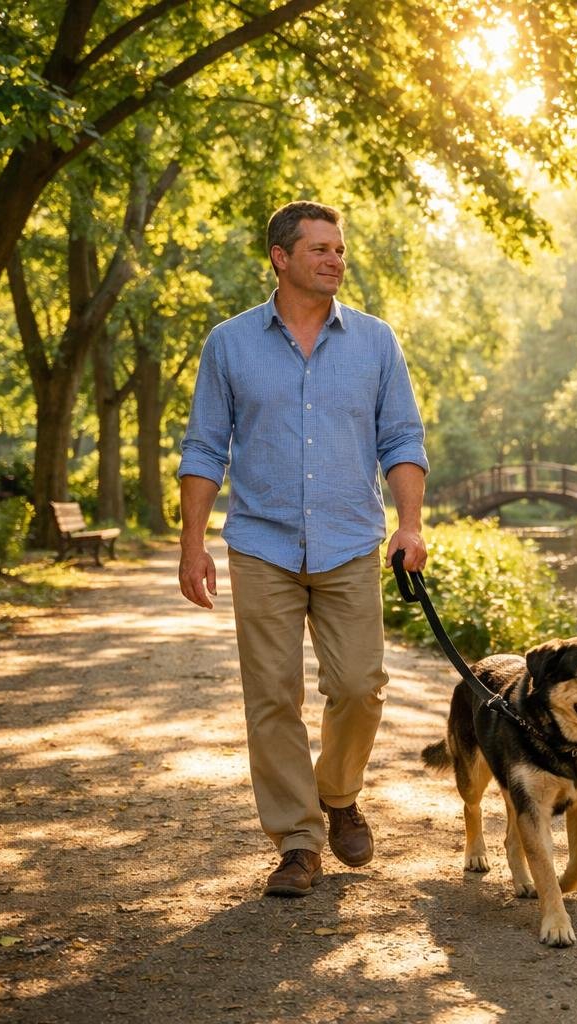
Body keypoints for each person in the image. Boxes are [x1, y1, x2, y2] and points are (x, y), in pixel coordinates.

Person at [176, 200, 429, 899]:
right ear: (281, 258)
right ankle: (297, 840)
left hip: (350, 539)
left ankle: (339, 793)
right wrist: (192, 541)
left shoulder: (377, 342)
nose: (335, 259)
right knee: (272, 697)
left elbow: (402, 439)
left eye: (340, 249)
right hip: (262, 542)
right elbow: (203, 447)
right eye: (319, 248)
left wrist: (410, 524)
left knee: (358, 687)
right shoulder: (228, 344)